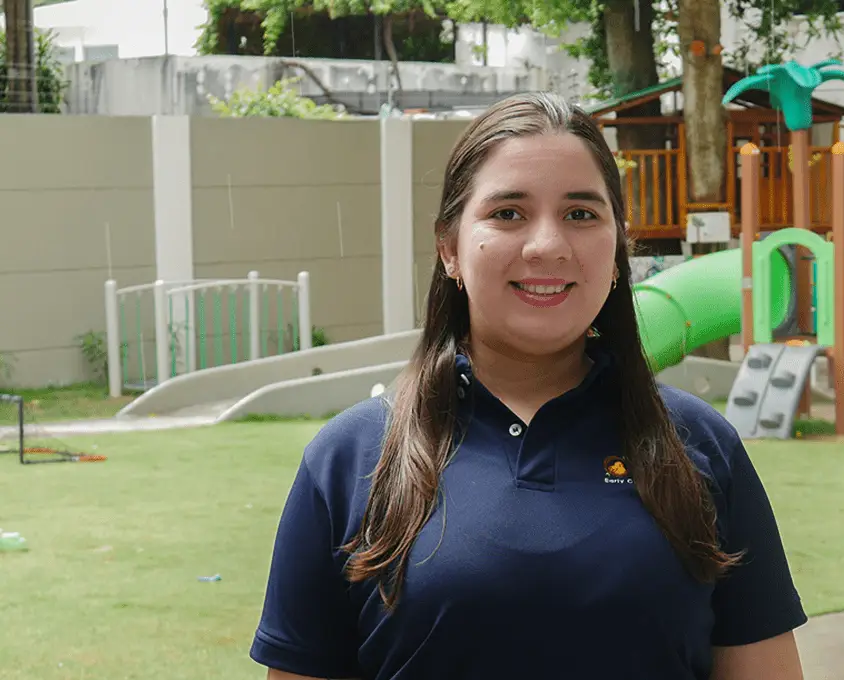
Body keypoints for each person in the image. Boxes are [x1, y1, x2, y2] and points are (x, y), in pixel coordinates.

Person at [249, 92, 808, 680]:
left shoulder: (700, 445)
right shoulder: (350, 460)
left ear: (619, 248)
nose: (547, 246)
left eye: (581, 214)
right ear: (449, 248)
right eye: (509, 213)